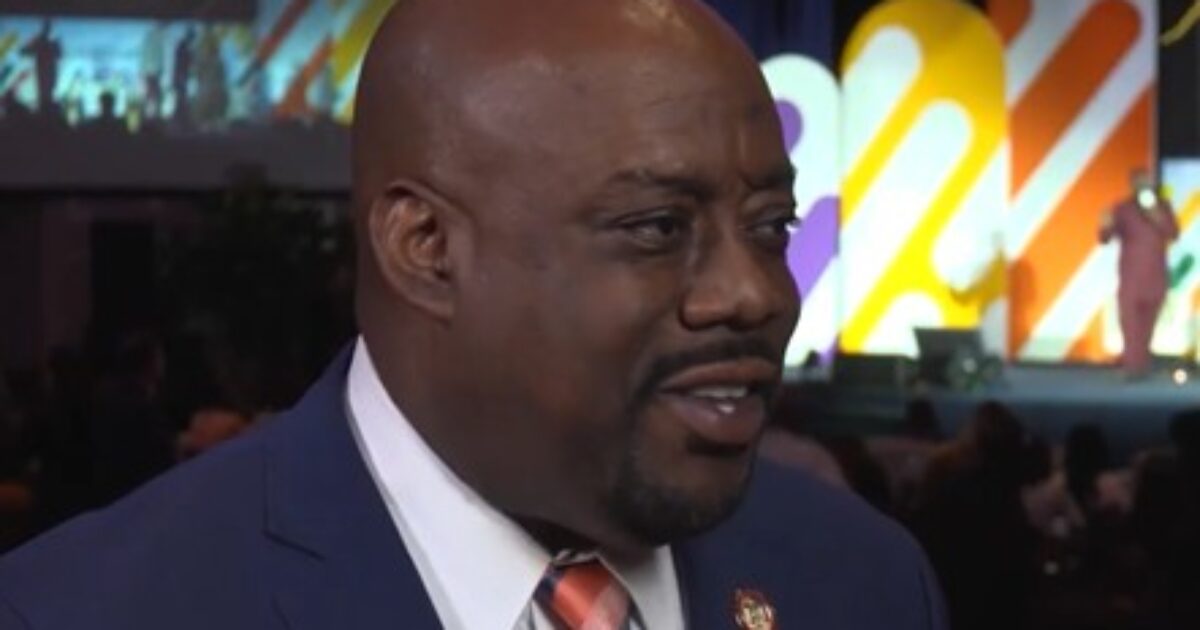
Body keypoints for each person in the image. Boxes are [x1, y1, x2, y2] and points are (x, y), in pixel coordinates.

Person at [0, 2, 947, 628]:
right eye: (659, 228)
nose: (756, 294)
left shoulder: (864, 583)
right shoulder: (91, 609)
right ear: (425, 247)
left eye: (771, 227)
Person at [1100, 168, 1180, 380]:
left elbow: (1173, 233)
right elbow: (1105, 237)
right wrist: (1105, 224)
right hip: (1131, 278)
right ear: (1132, 186)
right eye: (1139, 183)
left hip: (1156, 278)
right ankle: (1132, 368)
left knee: (1147, 326)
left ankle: (1139, 366)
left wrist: (1155, 214)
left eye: (1147, 182)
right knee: (1130, 324)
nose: (1144, 186)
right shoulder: (1123, 209)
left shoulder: (1163, 207)